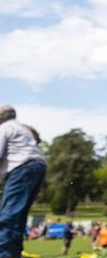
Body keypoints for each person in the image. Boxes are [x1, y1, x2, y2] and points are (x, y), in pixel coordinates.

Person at [0, 106, 47, 258]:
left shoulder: (5, 128)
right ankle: (13, 253)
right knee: (18, 217)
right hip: (36, 167)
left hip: (21, 169)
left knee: (9, 216)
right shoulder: (22, 128)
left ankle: (4, 254)